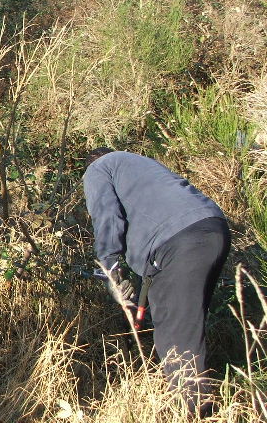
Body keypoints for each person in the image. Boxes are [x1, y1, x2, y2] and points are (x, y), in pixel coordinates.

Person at [83, 148, 230, 417]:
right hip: (213, 227)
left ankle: (195, 413)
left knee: (175, 337)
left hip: (178, 242)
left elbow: (107, 216)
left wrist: (109, 268)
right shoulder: (141, 165)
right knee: (187, 325)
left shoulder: (99, 168)